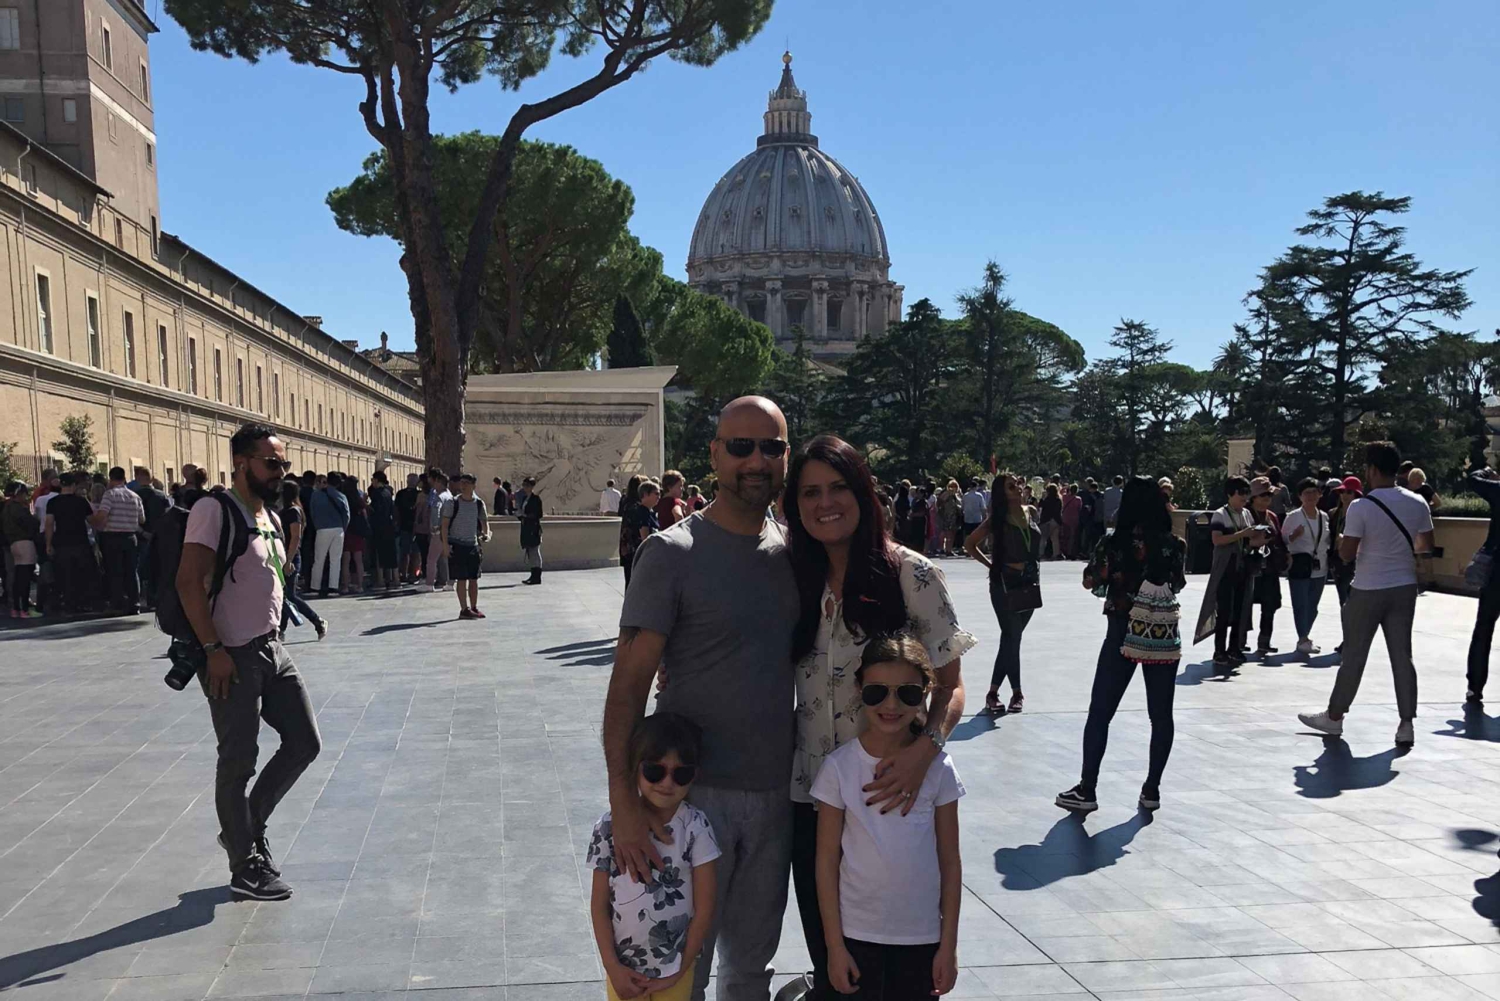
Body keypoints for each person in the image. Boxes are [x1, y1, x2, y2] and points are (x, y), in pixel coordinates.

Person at [601, 396, 799, 1001]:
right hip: (688, 797)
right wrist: (625, 805)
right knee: (677, 970)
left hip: (775, 793)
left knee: (750, 969)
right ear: (715, 455)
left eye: (771, 447)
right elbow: (627, 690)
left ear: (786, 457)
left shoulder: (795, 552)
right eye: (740, 446)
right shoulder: (671, 553)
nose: (756, 460)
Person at [784, 435, 970, 998]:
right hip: (813, 797)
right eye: (810, 492)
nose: (825, 503)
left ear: (863, 492)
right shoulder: (791, 575)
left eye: (838, 487)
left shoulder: (912, 574)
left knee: (901, 969)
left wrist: (924, 753)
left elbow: (952, 686)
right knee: (834, 964)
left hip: (892, 795)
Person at [177, 423, 321, 901]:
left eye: (284, 463)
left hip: (272, 648)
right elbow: (188, 582)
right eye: (272, 463)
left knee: (304, 742)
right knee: (237, 760)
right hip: (231, 654)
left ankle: (245, 826)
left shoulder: (270, 516)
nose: (281, 471)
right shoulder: (213, 510)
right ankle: (245, 865)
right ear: (241, 463)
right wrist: (213, 650)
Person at [813, 635, 963, 1000]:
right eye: (877, 692)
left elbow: (950, 861)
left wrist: (948, 946)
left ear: (926, 693)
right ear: (859, 689)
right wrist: (834, 947)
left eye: (907, 693)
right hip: (855, 937)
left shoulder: (940, 770)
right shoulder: (839, 768)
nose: (891, 704)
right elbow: (826, 861)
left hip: (922, 939)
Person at [1057, 475, 1187, 813]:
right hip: (1160, 635)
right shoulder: (1174, 545)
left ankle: (1087, 788)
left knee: (1100, 712)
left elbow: (1091, 580)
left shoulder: (1112, 543)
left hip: (1120, 632)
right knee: (1161, 715)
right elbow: (1178, 583)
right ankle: (1152, 789)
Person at [1299, 442, 1435, 746]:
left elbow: (1347, 554)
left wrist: (1348, 542)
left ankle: (1335, 717)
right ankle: (1406, 723)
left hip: (1368, 587)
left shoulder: (1361, 507)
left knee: (1354, 655)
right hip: (1404, 586)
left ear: (1372, 470)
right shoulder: (1418, 503)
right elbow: (1425, 546)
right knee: (1402, 655)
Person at [589, 713, 720, 1001]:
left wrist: (681, 968)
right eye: (654, 771)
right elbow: (599, 906)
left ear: (694, 775)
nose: (667, 783)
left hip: (675, 968)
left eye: (681, 774)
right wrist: (612, 966)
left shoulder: (696, 827)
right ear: (635, 768)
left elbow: (705, 907)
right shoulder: (608, 828)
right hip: (623, 969)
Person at [966, 472, 1041, 717]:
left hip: (1029, 583)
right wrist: (990, 565)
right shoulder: (997, 519)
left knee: (1010, 640)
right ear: (1002, 493)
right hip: (1005, 584)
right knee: (1013, 638)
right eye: (1011, 486)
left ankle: (992, 693)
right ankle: (1017, 693)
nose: (1017, 487)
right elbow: (969, 544)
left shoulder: (1031, 512)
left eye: (1017, 483)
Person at [1194, 476, 1260, 669]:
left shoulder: (1246, 513)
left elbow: (1249, 540)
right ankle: (1219, 650)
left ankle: (1234, 647)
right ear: (1230, 494)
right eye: (1241, 493)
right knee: (1223, 611)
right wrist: (1242, 534)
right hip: (1225, 567)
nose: (1245, 498)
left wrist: (1261, 539)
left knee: (1240, 610)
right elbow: (1217, 540)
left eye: (1247, 493)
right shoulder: (1220, 514)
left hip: (1242, 566)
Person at [1282, 477, 1329, 658]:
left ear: (1320, 494)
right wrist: (1294, 535)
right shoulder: (1293, 517)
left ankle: (1305, 636)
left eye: (1314, 492)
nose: (1311, 496)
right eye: (1306, 493)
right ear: (1300, 496)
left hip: (1320, 566)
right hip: (1300, 565)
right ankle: (1303, 638)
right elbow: (1283, 541)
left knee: (1313, 605)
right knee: (1300, 603)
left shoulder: (1324, 517)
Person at [1464, 466, 1500, 704]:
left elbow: (1473, 479)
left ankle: (1475, 686)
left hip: (1496, 571)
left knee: (1484, 628)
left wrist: (1488, 471)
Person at [276, 481, 327, 641]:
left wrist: (289, 560)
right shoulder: (285, 511)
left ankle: (317, 621)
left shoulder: (293, 511)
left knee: (290, 595)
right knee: (284, 595)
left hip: (291, 557)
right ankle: (281, 631)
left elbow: (296, 536)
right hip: (284, 556)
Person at [92, 466, 146, 614]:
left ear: (111, 478)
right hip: (131, 537)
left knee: (115, 570)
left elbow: (102, 515)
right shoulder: (135, 496)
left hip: (112, 537)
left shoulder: (109, 495)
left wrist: (95, 522)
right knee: (132, 571)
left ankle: (117, 603)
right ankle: (135, 603)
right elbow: (142, 519)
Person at [45, 472, 98, 614]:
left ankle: (69, 603)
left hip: (62, 542)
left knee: (65, 575)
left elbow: (49, 524)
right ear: (74, 485)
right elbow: (92, 520)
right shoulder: (81, 501)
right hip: (81, 542)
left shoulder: (53, 502)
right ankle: (82, 602)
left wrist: (48, 544)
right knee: (82, 574)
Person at [441, 473, 491, 618]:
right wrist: (445, 545)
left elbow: (484, 522)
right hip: (457, 545)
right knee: (461, 579)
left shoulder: (479, 503)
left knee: (474, 579)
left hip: (473, 545)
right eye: (462, 482)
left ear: (473, 486)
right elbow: (444, 525)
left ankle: (474, 607)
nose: (463, 486)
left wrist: (486, 534)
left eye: (466, 483)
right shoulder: (452, 502)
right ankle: (464, 609)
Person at [1247, 477, 1286, 658]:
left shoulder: (1272, 516)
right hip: (1249, 567)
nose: (1266, 500)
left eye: (1269, 496)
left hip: (1270, 567)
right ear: (1253, 498)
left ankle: (1264, 641)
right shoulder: (1246, 515)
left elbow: (1279, 539)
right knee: (1244, 605)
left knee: (1270, 605)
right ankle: (1239, 641)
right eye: (1263, 496)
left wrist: (1284, 555)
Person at [132, 466, 171, 610]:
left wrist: (142, 532)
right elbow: (168, 515)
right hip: (160, 536)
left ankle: (141, 597)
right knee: (158, 568)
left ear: (138, 478)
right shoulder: (162, 496)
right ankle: (156, 597)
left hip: (141, 536)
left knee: (140, 569)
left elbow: (133, 519)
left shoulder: (135, 496)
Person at [308, 472, 349, 598]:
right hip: (338, 529)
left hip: (322, 529)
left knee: (319, 559)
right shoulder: (341, 496)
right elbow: (347, 514)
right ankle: (333, 587)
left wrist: (317, 526)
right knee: (335, 560)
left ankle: (315, 587)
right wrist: (343, 527)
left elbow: (312, 512)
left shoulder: (316, 495)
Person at [3, 483, 40, 618]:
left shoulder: (6, 509)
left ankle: (16, 608)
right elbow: (31, 523)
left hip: (13, 543)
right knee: (25, 577)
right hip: (24, 542)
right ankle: (25, 609)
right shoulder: (19, 509)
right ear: (19, 494)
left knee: (17, 577)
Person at [621, 481, 660, 589]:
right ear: (645, 494)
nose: (659, 497)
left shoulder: (650, 512)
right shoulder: (642, 512)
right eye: (656, 493)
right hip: (640, 556)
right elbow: (645, 537)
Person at [366, 471, 398, 590]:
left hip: (378, 526)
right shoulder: (388, 492)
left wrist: (366, 506)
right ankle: (395, 579)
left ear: (376, 480)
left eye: (372, 480)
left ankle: (380, 580)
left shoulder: (376, 494)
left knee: (379, 554)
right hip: (388, 525)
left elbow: (375, 510)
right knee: (391, 553)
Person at [339, 476, 369, 594]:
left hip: (347, 530)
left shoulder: (343, 497)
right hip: (358, 531)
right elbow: (365, 515)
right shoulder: (358, 498)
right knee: (358, 560)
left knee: (345, 560)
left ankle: (345, 586)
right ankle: (360, 585)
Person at [424, 470, 452, 591]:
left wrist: (434, 526)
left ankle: (429, 584)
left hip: (439, 532)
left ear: (440, 483)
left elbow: (436, 511)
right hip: (449, 531)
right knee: (447, 558)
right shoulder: (449, 496)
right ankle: (450, 582)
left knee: (431, 559)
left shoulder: (439, 497)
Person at [395, 473, 420, 584]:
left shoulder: (400, 494)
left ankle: (404, 573)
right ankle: (413, 574)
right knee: (415, 552)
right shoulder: (419, 494)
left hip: (404, 525)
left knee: (405, 552)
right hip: (415, 526)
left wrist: (397, 522)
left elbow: (396, 509)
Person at [519, 475, 544, 585]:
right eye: (524, 485)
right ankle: (532, 574)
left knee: (535, 552)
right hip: (526, 528)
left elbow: (539, 514)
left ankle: (537, 576)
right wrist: (520, 515)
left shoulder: (536, 499)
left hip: (533, 528)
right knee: (530, 552)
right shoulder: (525, 498)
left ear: (532, 486)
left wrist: (526, 515)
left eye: (527, 485)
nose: (525, 487)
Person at [412, 472, 432, 586]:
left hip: (421, 528)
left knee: (423, 554)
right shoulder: (433, 495)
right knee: (429, 554)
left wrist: (415, 526)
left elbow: (418, 512)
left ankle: (424, 576)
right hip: (431, 527)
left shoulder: (421, 496)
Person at [1037, 483, 1063, 561]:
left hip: (1045, 520)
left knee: (1043, 538)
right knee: (1055, 539)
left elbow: (1040, 507)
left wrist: (1042, 498)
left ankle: (1041, 553)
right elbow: (1059, 511)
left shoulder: (1046, 500)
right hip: (1055, 520)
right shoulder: (1058, 500)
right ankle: (1056, 554)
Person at [937, 479, 962, 557]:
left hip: (954, 516)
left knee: (952, 533)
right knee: (948, 533)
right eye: (951, 486)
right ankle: (946, 549)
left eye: (954, 486)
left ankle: (949, 549)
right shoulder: (946, 494)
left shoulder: (956, 495)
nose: (953, 488)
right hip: (947, 516)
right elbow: (939, 502)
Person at [960, 480, 986, 555]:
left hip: (967, 518)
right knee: (977, 534)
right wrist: (984, 516)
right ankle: (976, 549)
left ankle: (967, 549)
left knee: (968, 534)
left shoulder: (965, 495)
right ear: (976, 487)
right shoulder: (979, 495)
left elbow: (962, 507)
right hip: (977, 517)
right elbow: (982, 507)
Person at [1060, 483, 1082, 559]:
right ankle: (1070, 552)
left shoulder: (1065, 497)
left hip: (1065, 518)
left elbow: (1060, 492)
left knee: (1065, 535)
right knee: (1072, 536)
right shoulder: (1078, 499)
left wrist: (1065, 487)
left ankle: (1064, 550)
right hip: (1074, 519)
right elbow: (1079, 508)